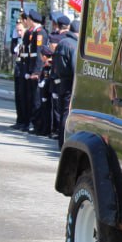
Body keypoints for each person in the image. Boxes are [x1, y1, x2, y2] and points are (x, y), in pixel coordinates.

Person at [53, 18, 79, 146]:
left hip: (60, 81)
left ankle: (60, 141)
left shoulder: (61, 42)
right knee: (67, 113)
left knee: (62, 111)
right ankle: (64, 142)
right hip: (70, 83)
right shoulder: (74, 45)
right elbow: (75, 68)